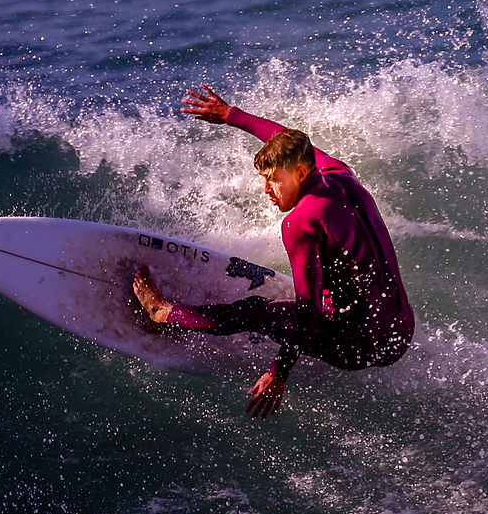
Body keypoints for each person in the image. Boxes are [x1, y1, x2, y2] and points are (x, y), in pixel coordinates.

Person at [132, 85, 414, 418]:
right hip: (400, 331)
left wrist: (279, 372)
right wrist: (230, 115)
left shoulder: (302, 222)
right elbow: (290, 139)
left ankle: (162, 315)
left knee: (256, 312)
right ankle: (336, 306)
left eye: (273, 179)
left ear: (300, 173)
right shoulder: (341, 176)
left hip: (361, 347)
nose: (266, 189)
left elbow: (306, 311)